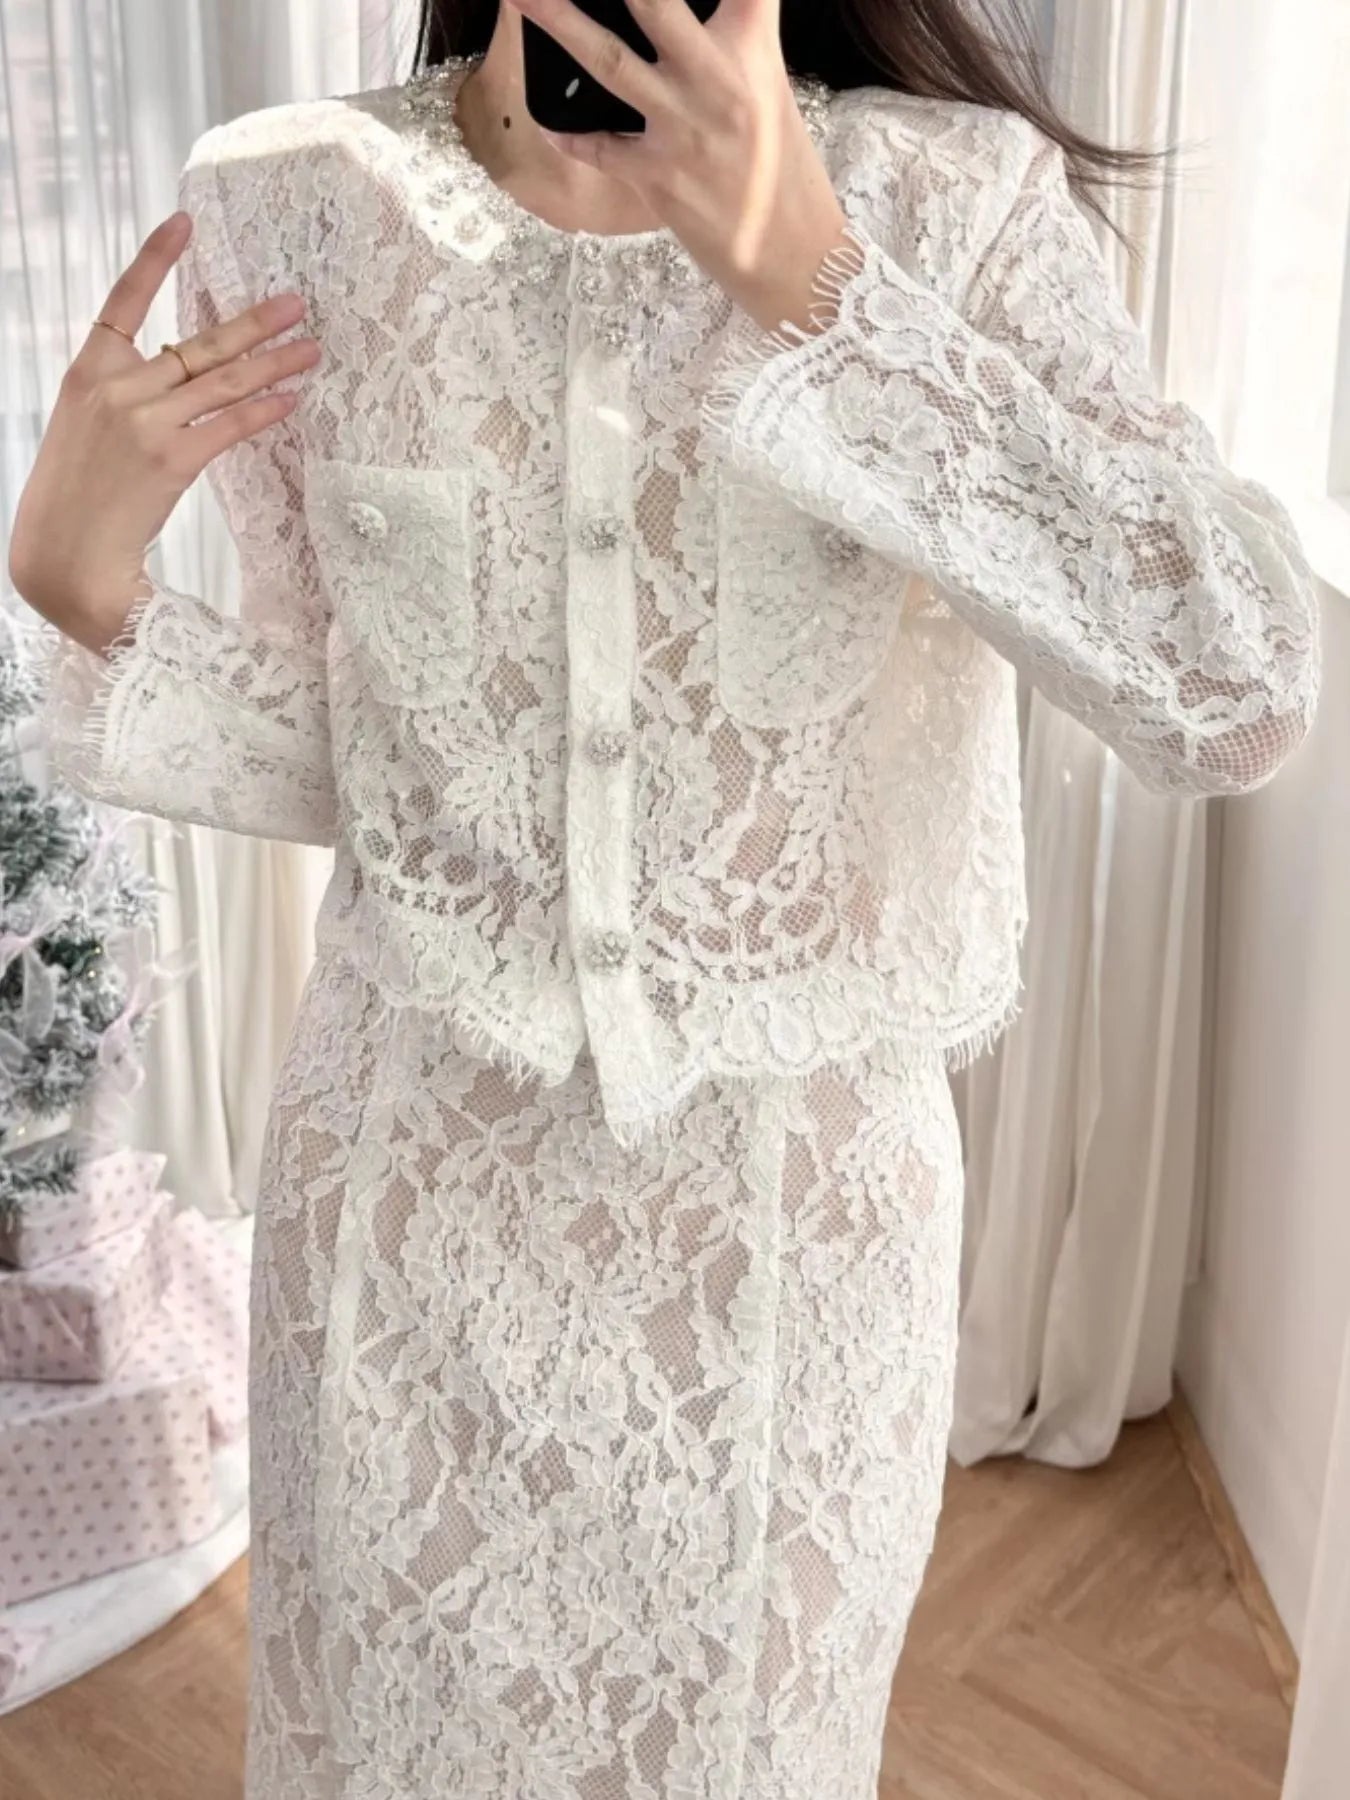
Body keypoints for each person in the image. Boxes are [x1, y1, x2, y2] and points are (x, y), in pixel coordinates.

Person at [7, 0, 1321, 1793]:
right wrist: (89, 593)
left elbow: (1232, 685)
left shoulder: (948, 201)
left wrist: (822, 289)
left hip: (788, 1256)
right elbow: (385, 762)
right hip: (400, 1231)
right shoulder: (291, 198)